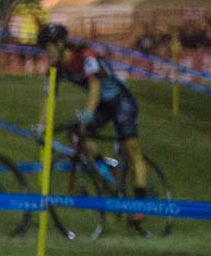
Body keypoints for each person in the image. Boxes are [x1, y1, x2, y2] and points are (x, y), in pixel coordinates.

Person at [37, 22, 152, 231]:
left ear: (61, 44)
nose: (46, 54)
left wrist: (87, 115)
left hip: (120, 100)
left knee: (131, 148)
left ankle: (141, 204)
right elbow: (49, 97)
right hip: (101, 105)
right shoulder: (56, 68)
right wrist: (40, 125)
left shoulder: (85, 55)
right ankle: (106, 172)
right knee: (76, 136)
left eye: (48, 49)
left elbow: (95, 87)